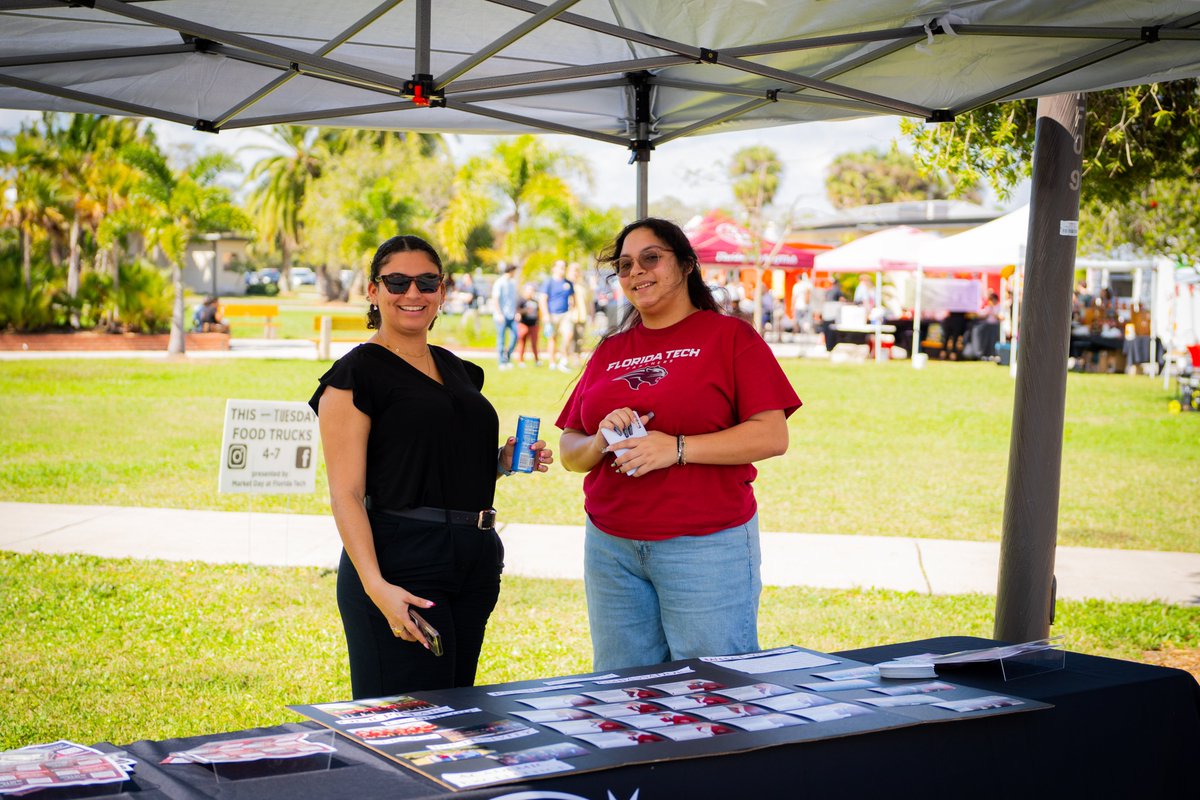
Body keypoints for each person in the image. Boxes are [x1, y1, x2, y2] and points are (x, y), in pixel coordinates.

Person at [310, 235, 553, 699]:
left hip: (474, 558)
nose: (413, 294)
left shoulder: (457, 369)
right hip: (402, 560)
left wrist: (500, 462)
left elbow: (433, 460)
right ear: (373, 291)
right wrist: (376, 587)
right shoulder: (355, 374)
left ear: (442, 291)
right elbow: (345, 493)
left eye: (426, 282)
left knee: (456, 711)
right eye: (397, 281)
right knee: (405, 722)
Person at [556, 218, 801, 671]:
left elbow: (772, 434)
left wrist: (677, 448)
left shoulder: (729, 337)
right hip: (612, 547)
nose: (637, 272)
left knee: (713, 692)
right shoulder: (611, 349)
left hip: (704, 545)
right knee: (622, 695)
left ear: (687, 264)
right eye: (625, 265)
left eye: (651, 258)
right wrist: (600, 440)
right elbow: (570, 449)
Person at [539, 260, 575, 371]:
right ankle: (552, 362)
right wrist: (545, 315)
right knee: (552, 339)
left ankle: (563, 360)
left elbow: (573, 298)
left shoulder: (568, 283)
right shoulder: (548, 282)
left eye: (564, 267)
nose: (562, 269)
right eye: (560, 267)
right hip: (551, 314)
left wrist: (572, 310)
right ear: (554, 268)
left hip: (565, 315)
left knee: (569, 335)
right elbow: (542, 299)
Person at [491, 262, 519, 370]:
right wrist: (499, 313)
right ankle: (501, 362)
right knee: (501, 338)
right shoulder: (499, 283)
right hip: (501, 316)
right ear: (511, 271)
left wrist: (516, 312)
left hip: (511, 315)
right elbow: (495, 299)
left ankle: (507, 356)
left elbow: (513, 300)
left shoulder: (512, 283)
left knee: (516, 335)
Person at [515, 283, 542, 366]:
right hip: (524, 323)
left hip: (533, 324)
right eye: (529, 290)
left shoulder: (535, 302)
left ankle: (537, 360)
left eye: (532, 290)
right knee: (522, 342)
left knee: (534, 343)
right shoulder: (521, 300)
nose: (530, 292)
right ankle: (521, 360)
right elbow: (517, 311)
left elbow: (538, 313)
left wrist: (539, 321)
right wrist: (525, 311)